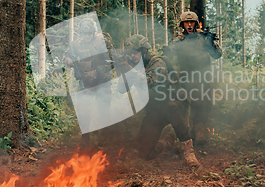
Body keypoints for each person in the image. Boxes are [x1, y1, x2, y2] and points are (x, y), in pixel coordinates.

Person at [121, 34, 200, 167]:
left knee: (173, 108)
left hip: (174, 103)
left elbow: (152, 81)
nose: (132, 56)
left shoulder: (157, 61)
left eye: (135, 53)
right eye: (130, 54)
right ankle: (167, 142)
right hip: (155, 110)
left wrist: (131, 70)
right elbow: (122, 89)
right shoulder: (134, 67)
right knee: (144, 153)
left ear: (144, 50)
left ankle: (189, 154)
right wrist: (124, 70)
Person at [164, 11, 222, 146]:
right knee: (199, 97)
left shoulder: (203, 37)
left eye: (191, 22)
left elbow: (217, 55)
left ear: (196, 24)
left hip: (205, 75)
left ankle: (199, 131)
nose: (189, 25)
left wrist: (211, 44)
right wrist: (167, 52)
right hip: (187, 76)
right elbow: (169, 54)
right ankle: (198, 132)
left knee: (208, 104)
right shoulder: (179, 40)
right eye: (186, 23)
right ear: (182, 25)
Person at [64, 18, 114, 148]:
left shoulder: (102, 42)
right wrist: (68, 60)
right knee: (83, 110)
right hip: (85, 82)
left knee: (103, 111)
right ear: (81, 33)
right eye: (85, 34)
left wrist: (96, 72)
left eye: (89, 33)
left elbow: (111, 61)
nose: (87, 36)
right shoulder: (76, 44)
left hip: (103, 81)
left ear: (93, 32)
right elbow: (66, 56)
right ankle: (86, 139)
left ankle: (104, 141)